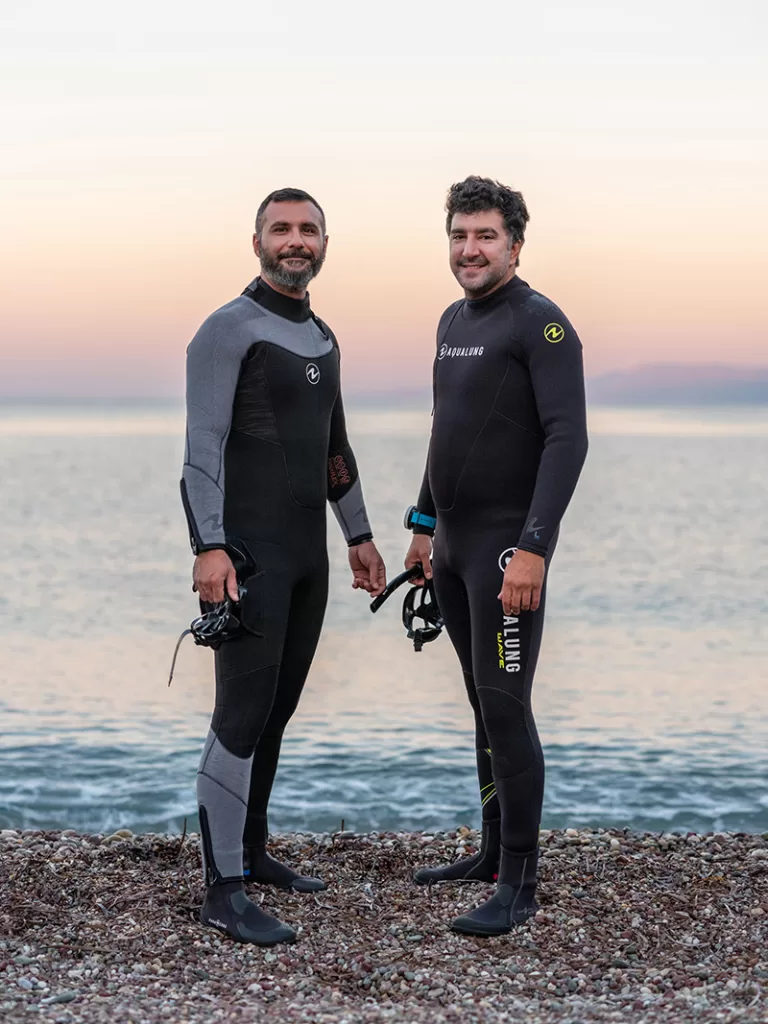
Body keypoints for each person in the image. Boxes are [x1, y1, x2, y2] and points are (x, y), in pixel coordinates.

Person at [181, 187, 386, 946]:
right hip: (248, 558)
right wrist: (208, 546)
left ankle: (253, 852)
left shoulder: (325, 338)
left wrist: (359, 536)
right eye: (281, 230)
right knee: (238, 717)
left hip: (310, 560)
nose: (295, 241)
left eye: (308, 230)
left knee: (277, 709)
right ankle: (222, 888)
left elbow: (335, 448)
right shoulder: (226, 330)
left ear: (325, 243)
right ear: (258, 241)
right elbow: (201, 450)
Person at [404, 176, 588, 936]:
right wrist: (421, 526)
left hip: (508, 551)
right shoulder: (452, 318)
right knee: (483, 701)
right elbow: (446, 431)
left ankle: (519, 883)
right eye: (458, 235)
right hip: (452, 549)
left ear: (515, 242)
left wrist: (534, 551)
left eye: (484, 236)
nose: (469, 249)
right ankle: (487, 852)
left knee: (508, 709)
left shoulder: (541, 325)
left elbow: (566, 438)